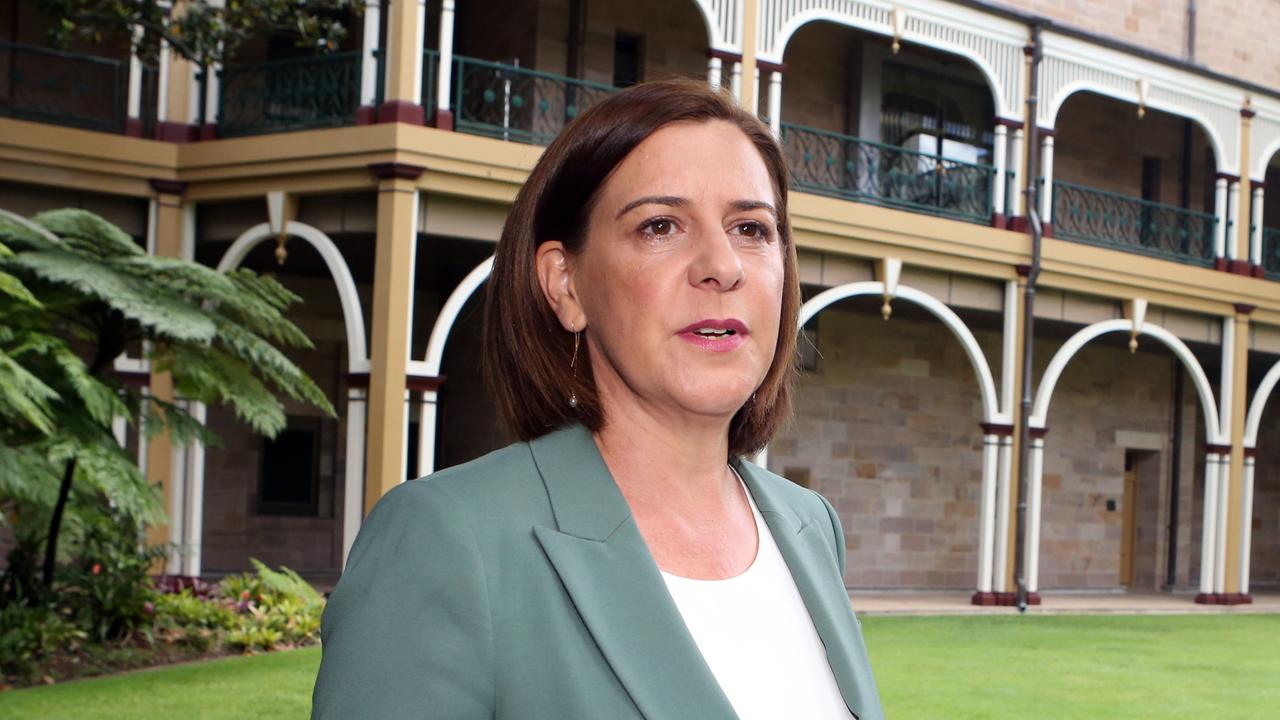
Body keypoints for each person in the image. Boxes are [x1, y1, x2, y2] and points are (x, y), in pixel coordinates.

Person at [312, 79, 883, 720]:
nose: (723, 265)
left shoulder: (811, 527)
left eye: (751, 227)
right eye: (660, 226)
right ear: (566, 285)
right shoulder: (450, 540)